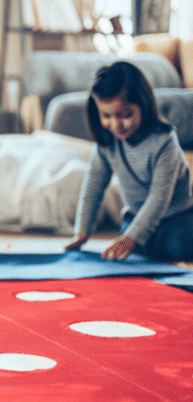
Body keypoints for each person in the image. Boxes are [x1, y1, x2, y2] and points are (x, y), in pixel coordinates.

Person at [65, 61, 193, 261]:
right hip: (135, 217)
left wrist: (132, 238)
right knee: (130, 241)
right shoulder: (107, 143)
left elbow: (159, 197)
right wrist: (82, 231)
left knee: (176, 243)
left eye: (125, 115)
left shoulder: (165, 141)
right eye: (106, 116)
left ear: (143, 105)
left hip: (176, 218)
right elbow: (93, 186)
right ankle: (142, 241)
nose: (116, 124)